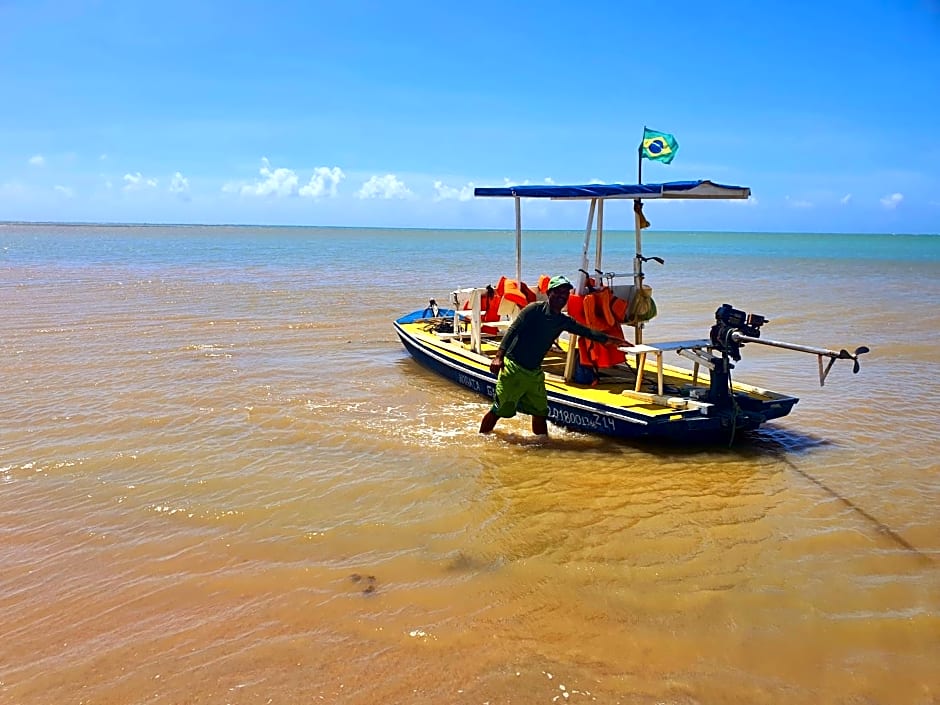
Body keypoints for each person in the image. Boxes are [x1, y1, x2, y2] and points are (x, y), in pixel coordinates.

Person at [479, 275, 626, 436]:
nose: (562, 296)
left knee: (541, 411)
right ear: (549, 293)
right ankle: (482, 438)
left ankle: (542, 445)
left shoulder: (563, 321)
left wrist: (611, 340)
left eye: (565, 293)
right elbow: (513, 330)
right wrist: (499, 356)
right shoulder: (533, 309)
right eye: (558, 292)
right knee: (499, 409)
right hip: (514, 368)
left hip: (534, 372)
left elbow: (586, 331)